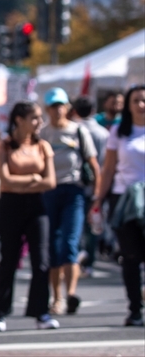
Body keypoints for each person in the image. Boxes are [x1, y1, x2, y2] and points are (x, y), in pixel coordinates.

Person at [0, 100, 59, 332]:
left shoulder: (43, 147)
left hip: (37, 206)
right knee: (9, 258)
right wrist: (32, 180)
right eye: (35, 118)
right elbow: (6, 179)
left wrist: (27, 184)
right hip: (10, 205)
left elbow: (50, 181)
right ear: (19, 120)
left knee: (41, 260)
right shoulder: (4, 146)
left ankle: (41, 312)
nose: (39, 123)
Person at [39, 88, 99, 316]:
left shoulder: (78, 132)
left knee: (70, 243)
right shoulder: (43, 134)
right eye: (53, 106)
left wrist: (97, 196)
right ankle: (56, 297)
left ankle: (71, 293)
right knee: (53, 245)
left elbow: (94, 164)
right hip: (49, 192)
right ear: (47, 109)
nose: (57, 110)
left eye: (61, 105)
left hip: (74, 191)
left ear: (67, 107)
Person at [92, 84, 145, 327]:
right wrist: (99, 199)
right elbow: (109, 168)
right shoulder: (119, 131)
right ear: (128, 105)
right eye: (136, 100)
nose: (141, 105)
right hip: (124, 200)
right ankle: (135, 309)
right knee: (131, 257)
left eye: (144, 100)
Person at [70, 95, 109, 272]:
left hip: (75, 184)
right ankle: (89, 261)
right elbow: (105, 163)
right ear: (93, 111)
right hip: (98, 184)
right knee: (93, 224)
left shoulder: (73, 130)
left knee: (74, 224)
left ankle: (75, 259)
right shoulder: (103, 133)